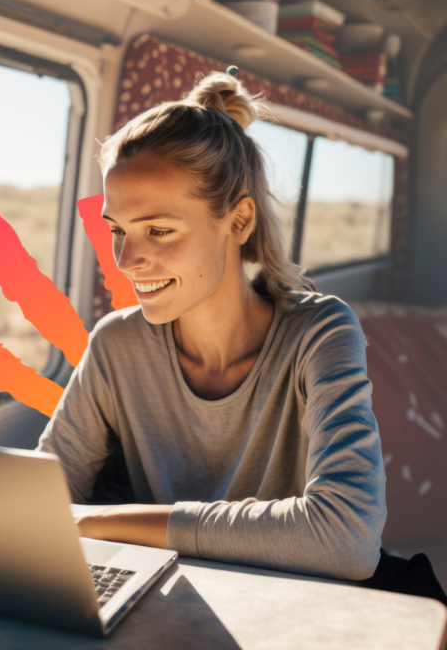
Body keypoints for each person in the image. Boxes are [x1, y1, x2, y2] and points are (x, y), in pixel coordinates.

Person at [37, 70, 387, 581]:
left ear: (240, 221)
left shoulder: (321, 332)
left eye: (159, 230)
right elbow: (41, 503)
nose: (128, 260)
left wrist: (97, 521)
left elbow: (348, 539)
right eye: (118, 231)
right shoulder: (116, 344)